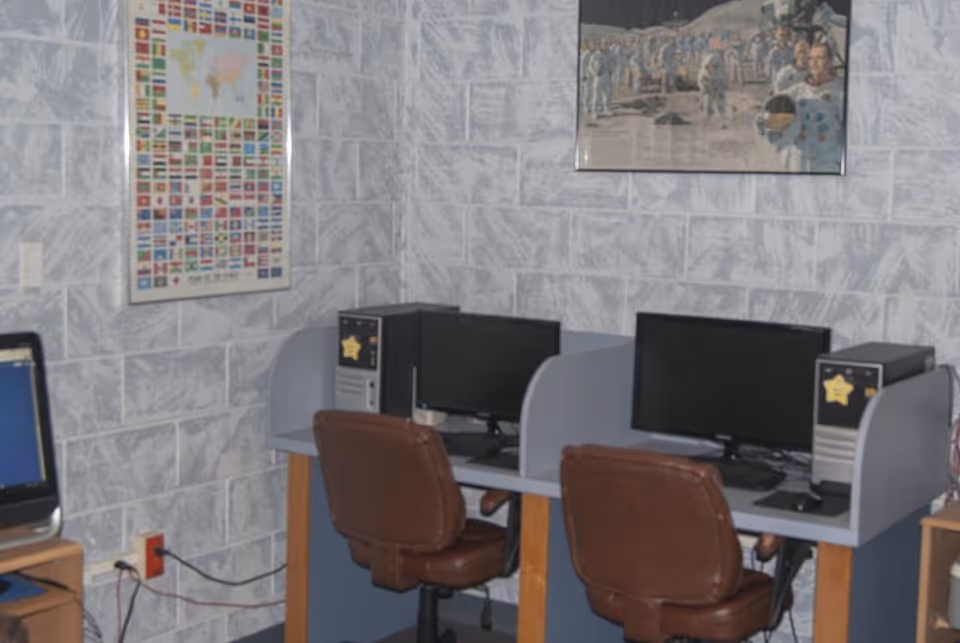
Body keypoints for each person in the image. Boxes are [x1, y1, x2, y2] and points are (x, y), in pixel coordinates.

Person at [756, 42, 844, 173]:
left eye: (820, 58)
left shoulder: (841, 91)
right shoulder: (795, 92)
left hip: (827, 162)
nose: (814, 62)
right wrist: (771, 124)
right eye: (811, 58)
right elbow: (764, 119)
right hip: (799, 161)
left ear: (830, 61)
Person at [698, 52, 727, 124]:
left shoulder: (719, 71)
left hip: (717, 89)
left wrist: (719, 88)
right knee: (708, 102)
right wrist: (705, 89)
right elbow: (700, 82)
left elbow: (722, 81)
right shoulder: (703, 72)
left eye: (714, 66)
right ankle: (707, 117)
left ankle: (720, 115)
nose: (712, 67)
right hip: (708, 89)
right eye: (710, 66)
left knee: (720, 102)